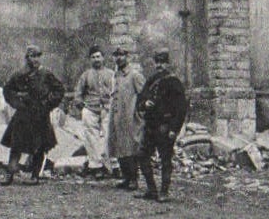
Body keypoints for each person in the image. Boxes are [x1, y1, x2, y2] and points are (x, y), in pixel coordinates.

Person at [0, 46, 65, 185]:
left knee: (39, 146)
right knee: (16, 145)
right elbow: (8, 90)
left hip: (40, 114)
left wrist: (47, 103)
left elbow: (59, 90)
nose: (35, 59)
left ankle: (35, 176)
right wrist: (17, 103)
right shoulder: (19, 74)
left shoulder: (46, 74)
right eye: (32, 56)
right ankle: (9, 174)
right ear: (26, 58)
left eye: (37, 56)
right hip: (23, 114)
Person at [136, 48, 187, 202]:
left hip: (165, 127)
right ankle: (151, 190)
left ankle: (164, 191)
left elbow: (181, 108)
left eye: (163, 63)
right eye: (157, 63)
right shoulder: (151, 81)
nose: (160, 66)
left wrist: (174, 129)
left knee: (165, 159)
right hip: (150, 126)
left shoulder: (174, 82)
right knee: (142, 156)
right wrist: (145, 103)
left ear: (168, 64)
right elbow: (140, 101)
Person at [72, 45, 115, 178]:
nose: (96, 59)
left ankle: (112, 166)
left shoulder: (111, 74)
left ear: (103, 58)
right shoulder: (86, 75)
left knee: (109, 136)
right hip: (90, 108)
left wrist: (113, 105)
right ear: (90, 60)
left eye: (98, 56)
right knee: (91, 137)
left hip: (107, 108)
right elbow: (78, 92)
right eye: (93, 57)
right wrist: (81, 106)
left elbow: (116, 91)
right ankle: (96, 166)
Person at [106, 46, 145, 189]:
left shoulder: (134, 75)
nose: (118, 58)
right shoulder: (115, 75)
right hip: (117, 116)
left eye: (121, 55)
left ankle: (134, 178)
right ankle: (126, 178)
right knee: (118, 146)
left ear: (127, 57)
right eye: (116, 55)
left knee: (130, 147)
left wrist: (138, 113)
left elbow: (143, 95)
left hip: (130, 117)